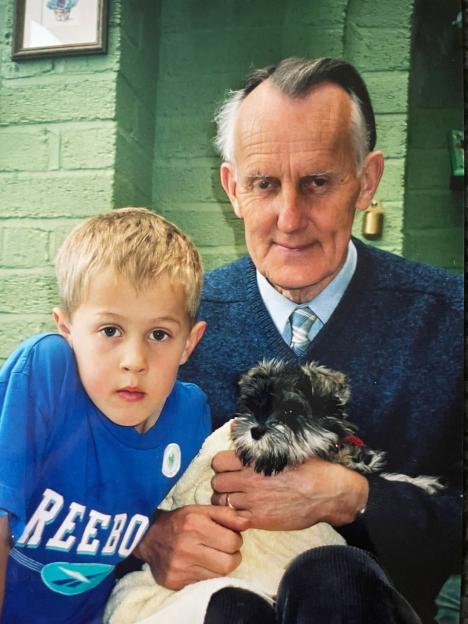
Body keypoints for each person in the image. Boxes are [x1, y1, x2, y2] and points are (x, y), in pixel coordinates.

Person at [135, 58, 463, 624]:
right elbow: (63, 487)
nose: (290, 218)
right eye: (265, 184)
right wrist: (147, 537)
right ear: (233, 189)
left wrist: (352, 497)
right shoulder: (163, 326)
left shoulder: (450, 319)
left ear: (366, 181)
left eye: (318, 182)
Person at [0, 207, 237, 623]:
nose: (134, 360)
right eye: (110, 331)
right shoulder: (47, 372)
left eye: (159, 335)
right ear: (68, 329)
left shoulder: (190, 416)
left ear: (189, 342)